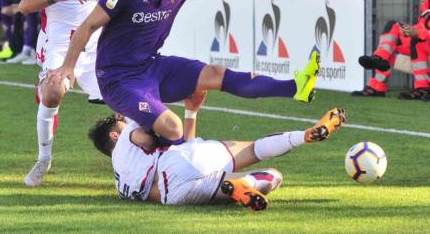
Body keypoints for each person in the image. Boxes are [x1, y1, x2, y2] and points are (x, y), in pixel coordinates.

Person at [48, 0, 319, 148]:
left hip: (153, 68)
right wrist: (68, 67)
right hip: (119, 80)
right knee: (172, 127)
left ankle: (297, 87)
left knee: (214, 73)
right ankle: (176, 170)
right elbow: (87, 26)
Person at [89, 91, 346, 210]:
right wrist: (145, 116)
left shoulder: (120, 180)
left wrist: (190, 114)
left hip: (174, 195)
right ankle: (305, 136)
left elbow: (178, 152)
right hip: (179, 162)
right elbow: (147, 139)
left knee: (272, 175)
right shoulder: (126, 137)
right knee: (254, 149)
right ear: (115, 134)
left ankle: (241, 185)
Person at [18, 0, 117, 187]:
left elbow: (116, 9)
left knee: (124, 102)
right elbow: (24, 6)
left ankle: (130, 161)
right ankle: (43, 158)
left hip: (95, 50)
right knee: (52, 93)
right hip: (59, 46)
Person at [352, 0, 430, 100]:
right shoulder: (426, 3)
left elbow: (422, 32)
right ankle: (377, 76)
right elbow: (422, 27)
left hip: (424, 44)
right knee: (393, 27)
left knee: (417, 40)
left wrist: (418, 33)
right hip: (424, 43)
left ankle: (423, 88)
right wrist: (409, 30)